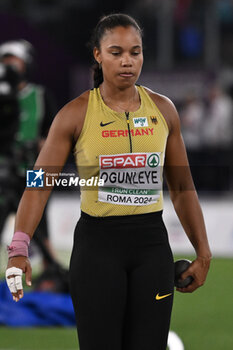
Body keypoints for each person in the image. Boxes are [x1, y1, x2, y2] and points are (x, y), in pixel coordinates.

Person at [5, 14, 212, 350]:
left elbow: (183, 188)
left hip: (152, 249)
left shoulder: (164, 110)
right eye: (116, 52)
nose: (127, 61)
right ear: (98, 56)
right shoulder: (75, 113)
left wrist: (204, 255)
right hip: (97, 251)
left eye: (135, 52)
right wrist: (18, 249)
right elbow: (38, 183)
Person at [0, 40, 59, 273]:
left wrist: (44, 144)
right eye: (5, 61)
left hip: (34, 169)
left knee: (40, 223)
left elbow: (53, 133)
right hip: (3, 168)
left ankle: (51, 273)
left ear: (26, 63)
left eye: (14, 60)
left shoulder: (40, 95)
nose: (9, 66)